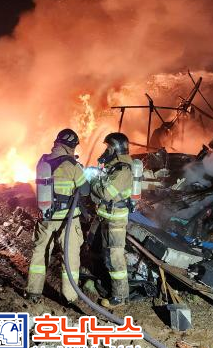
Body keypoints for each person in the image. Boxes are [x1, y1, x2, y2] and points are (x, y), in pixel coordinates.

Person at [26, 128, 89, 304]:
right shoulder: (72, 165)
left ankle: (33, 291)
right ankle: (69, 297)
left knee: (40, 254)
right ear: (71, 146)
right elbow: (85, 190)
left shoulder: (43, 161)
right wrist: (81, 172)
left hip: (45, 218)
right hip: (67, 220)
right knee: (70, 258)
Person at [90, 132, 134, 308]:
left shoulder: (123, 170)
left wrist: (93, 181)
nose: (105, 150)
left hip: (116, 220)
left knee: (115, 257)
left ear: (115, 149)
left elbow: (106, 193)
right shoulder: (114, 167)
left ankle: (120, 296)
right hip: (107, 217)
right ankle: (105, 282)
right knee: (103, 252)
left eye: (108, 147)